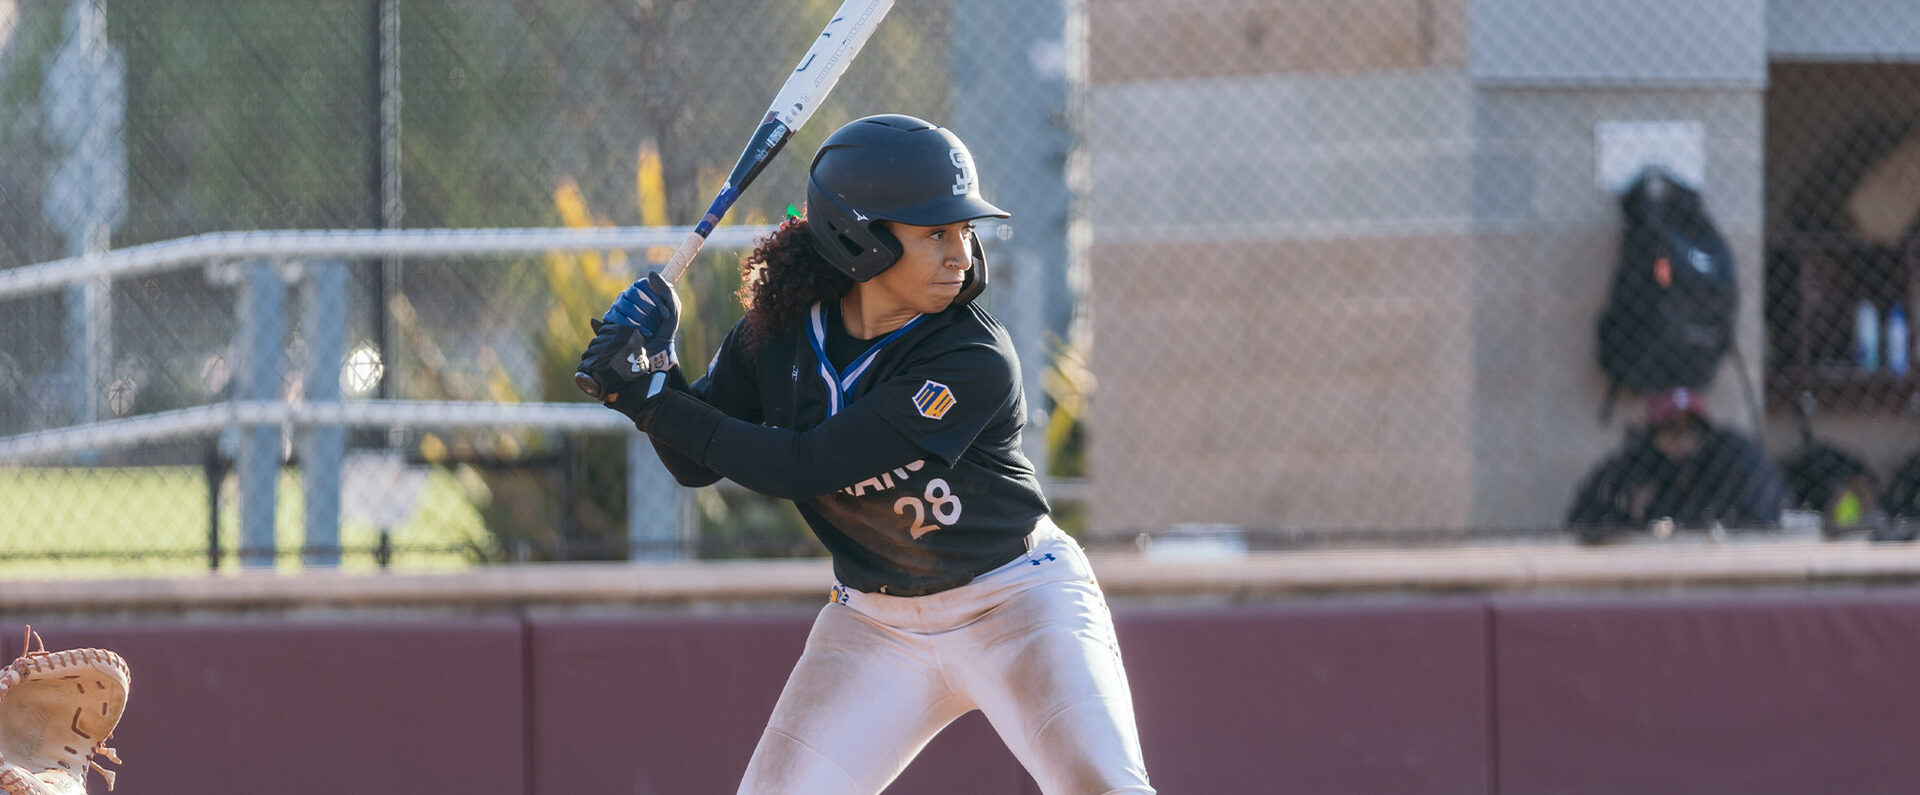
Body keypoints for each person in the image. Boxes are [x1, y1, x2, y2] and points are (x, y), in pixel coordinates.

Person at [577, 114, 1154, 794]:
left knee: (1106, 788)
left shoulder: (972, 356)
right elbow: (696, 462)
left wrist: (650, 399)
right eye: (934, 232)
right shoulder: (777, 330)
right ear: (859, 240)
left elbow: (805, 465)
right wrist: (658, 374)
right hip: (876, 624)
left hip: (1017, 601)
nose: (961, 254)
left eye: (963, 230)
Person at [1566, 387, 1790, 540]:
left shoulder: (1727, 455)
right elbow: (1582, 518)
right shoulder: (1636, 463)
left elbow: (1765, 504)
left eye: (1693, 428)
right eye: (1672, 429)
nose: (1684, 439)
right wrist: (1629, 514)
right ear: (1653, 434)